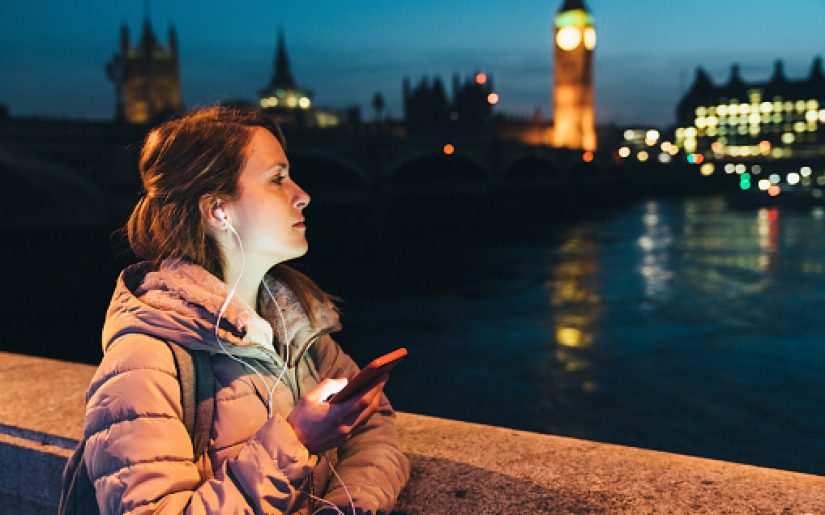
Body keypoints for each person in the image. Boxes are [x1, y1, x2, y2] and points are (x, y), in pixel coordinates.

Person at [82, 106, 410, 514]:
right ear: (219, 210)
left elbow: (374, 424)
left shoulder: (298, 331)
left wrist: (347, 506)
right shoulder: (144, 366)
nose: (302, 195)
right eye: (278, 179)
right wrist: (298, 441)